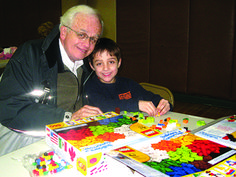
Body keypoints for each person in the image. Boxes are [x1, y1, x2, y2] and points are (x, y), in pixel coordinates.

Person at [0, 5, 104, 156]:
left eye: (93, 39)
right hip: (26, 140)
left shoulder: (90, 65)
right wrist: (67, 118)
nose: (88, 44)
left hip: (70, 140)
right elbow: (9, 107)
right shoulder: (30, 54)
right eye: (82, 35)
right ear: (63, 32)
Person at [84, 37, 173, 116]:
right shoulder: (90, 86)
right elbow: (105, 105)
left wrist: (164, 104)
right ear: (92, 66)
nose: (106, 68)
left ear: (119, 63)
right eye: (99, 63)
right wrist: (137, 104)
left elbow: (149, 97)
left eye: (111, 62)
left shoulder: (128, 84)